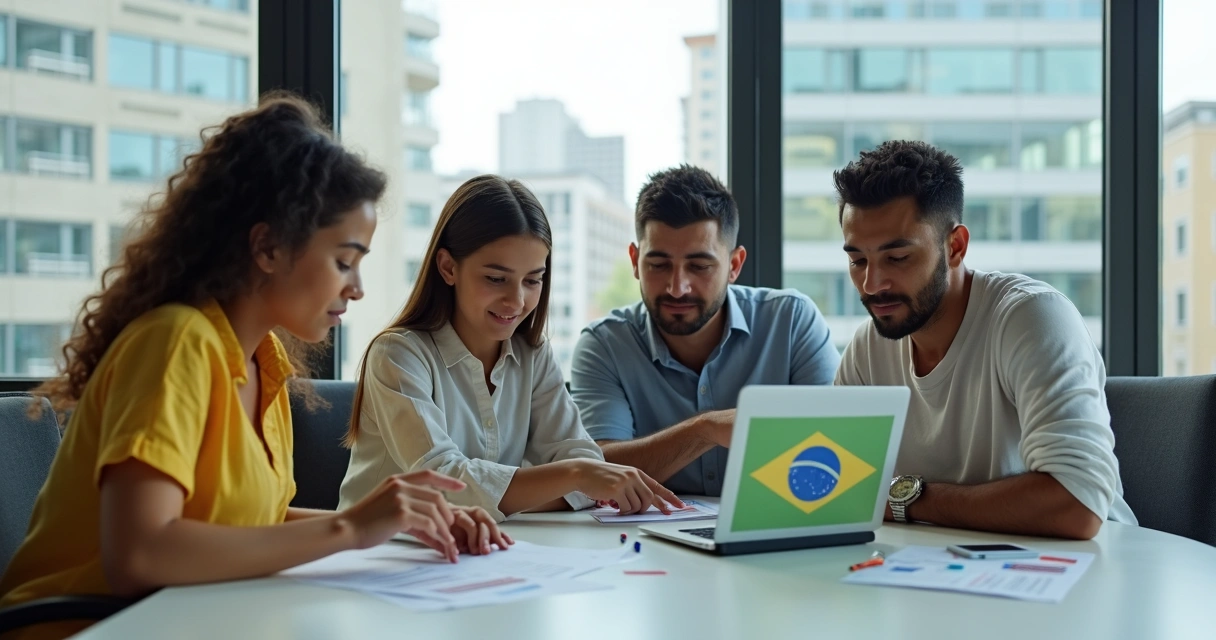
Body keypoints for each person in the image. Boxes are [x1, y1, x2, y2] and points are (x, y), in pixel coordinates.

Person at [0, 95, 510, 640]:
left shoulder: (263, 365)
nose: (357, 289)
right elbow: (141, 554)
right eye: (343, 261)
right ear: (267, 247)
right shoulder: (176, 342)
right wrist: (349, 526)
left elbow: (248, 525)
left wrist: (403, 525)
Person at [832, 140, 1136, 539]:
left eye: (898, 257)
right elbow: (837, 487)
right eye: (858, 261)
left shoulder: (1032, 317)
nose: (872, 284)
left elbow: (1076, 505)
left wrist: (904, 500)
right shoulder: (868, 348)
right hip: (946, 565)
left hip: (1091, 565)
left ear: (955, 246)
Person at [338, 175, 682, 523]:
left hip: (476, 552)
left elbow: (581, 459)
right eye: (496, 278)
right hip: (380, 555)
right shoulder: (398, 355)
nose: (516, 301)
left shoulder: (532, 354)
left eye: (532, 280)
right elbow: (444, 486)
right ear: (448, 267)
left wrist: (569, 479)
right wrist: (573, 477)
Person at [570, 165, 840, 496]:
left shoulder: (792, 322)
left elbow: (834, 447)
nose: (677, 287)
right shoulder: (605, 344)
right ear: (634, 261)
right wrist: (704, 430)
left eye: (699, 266)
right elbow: (599, 473)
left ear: (734, 265)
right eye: (658, 265)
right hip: (646, 541)